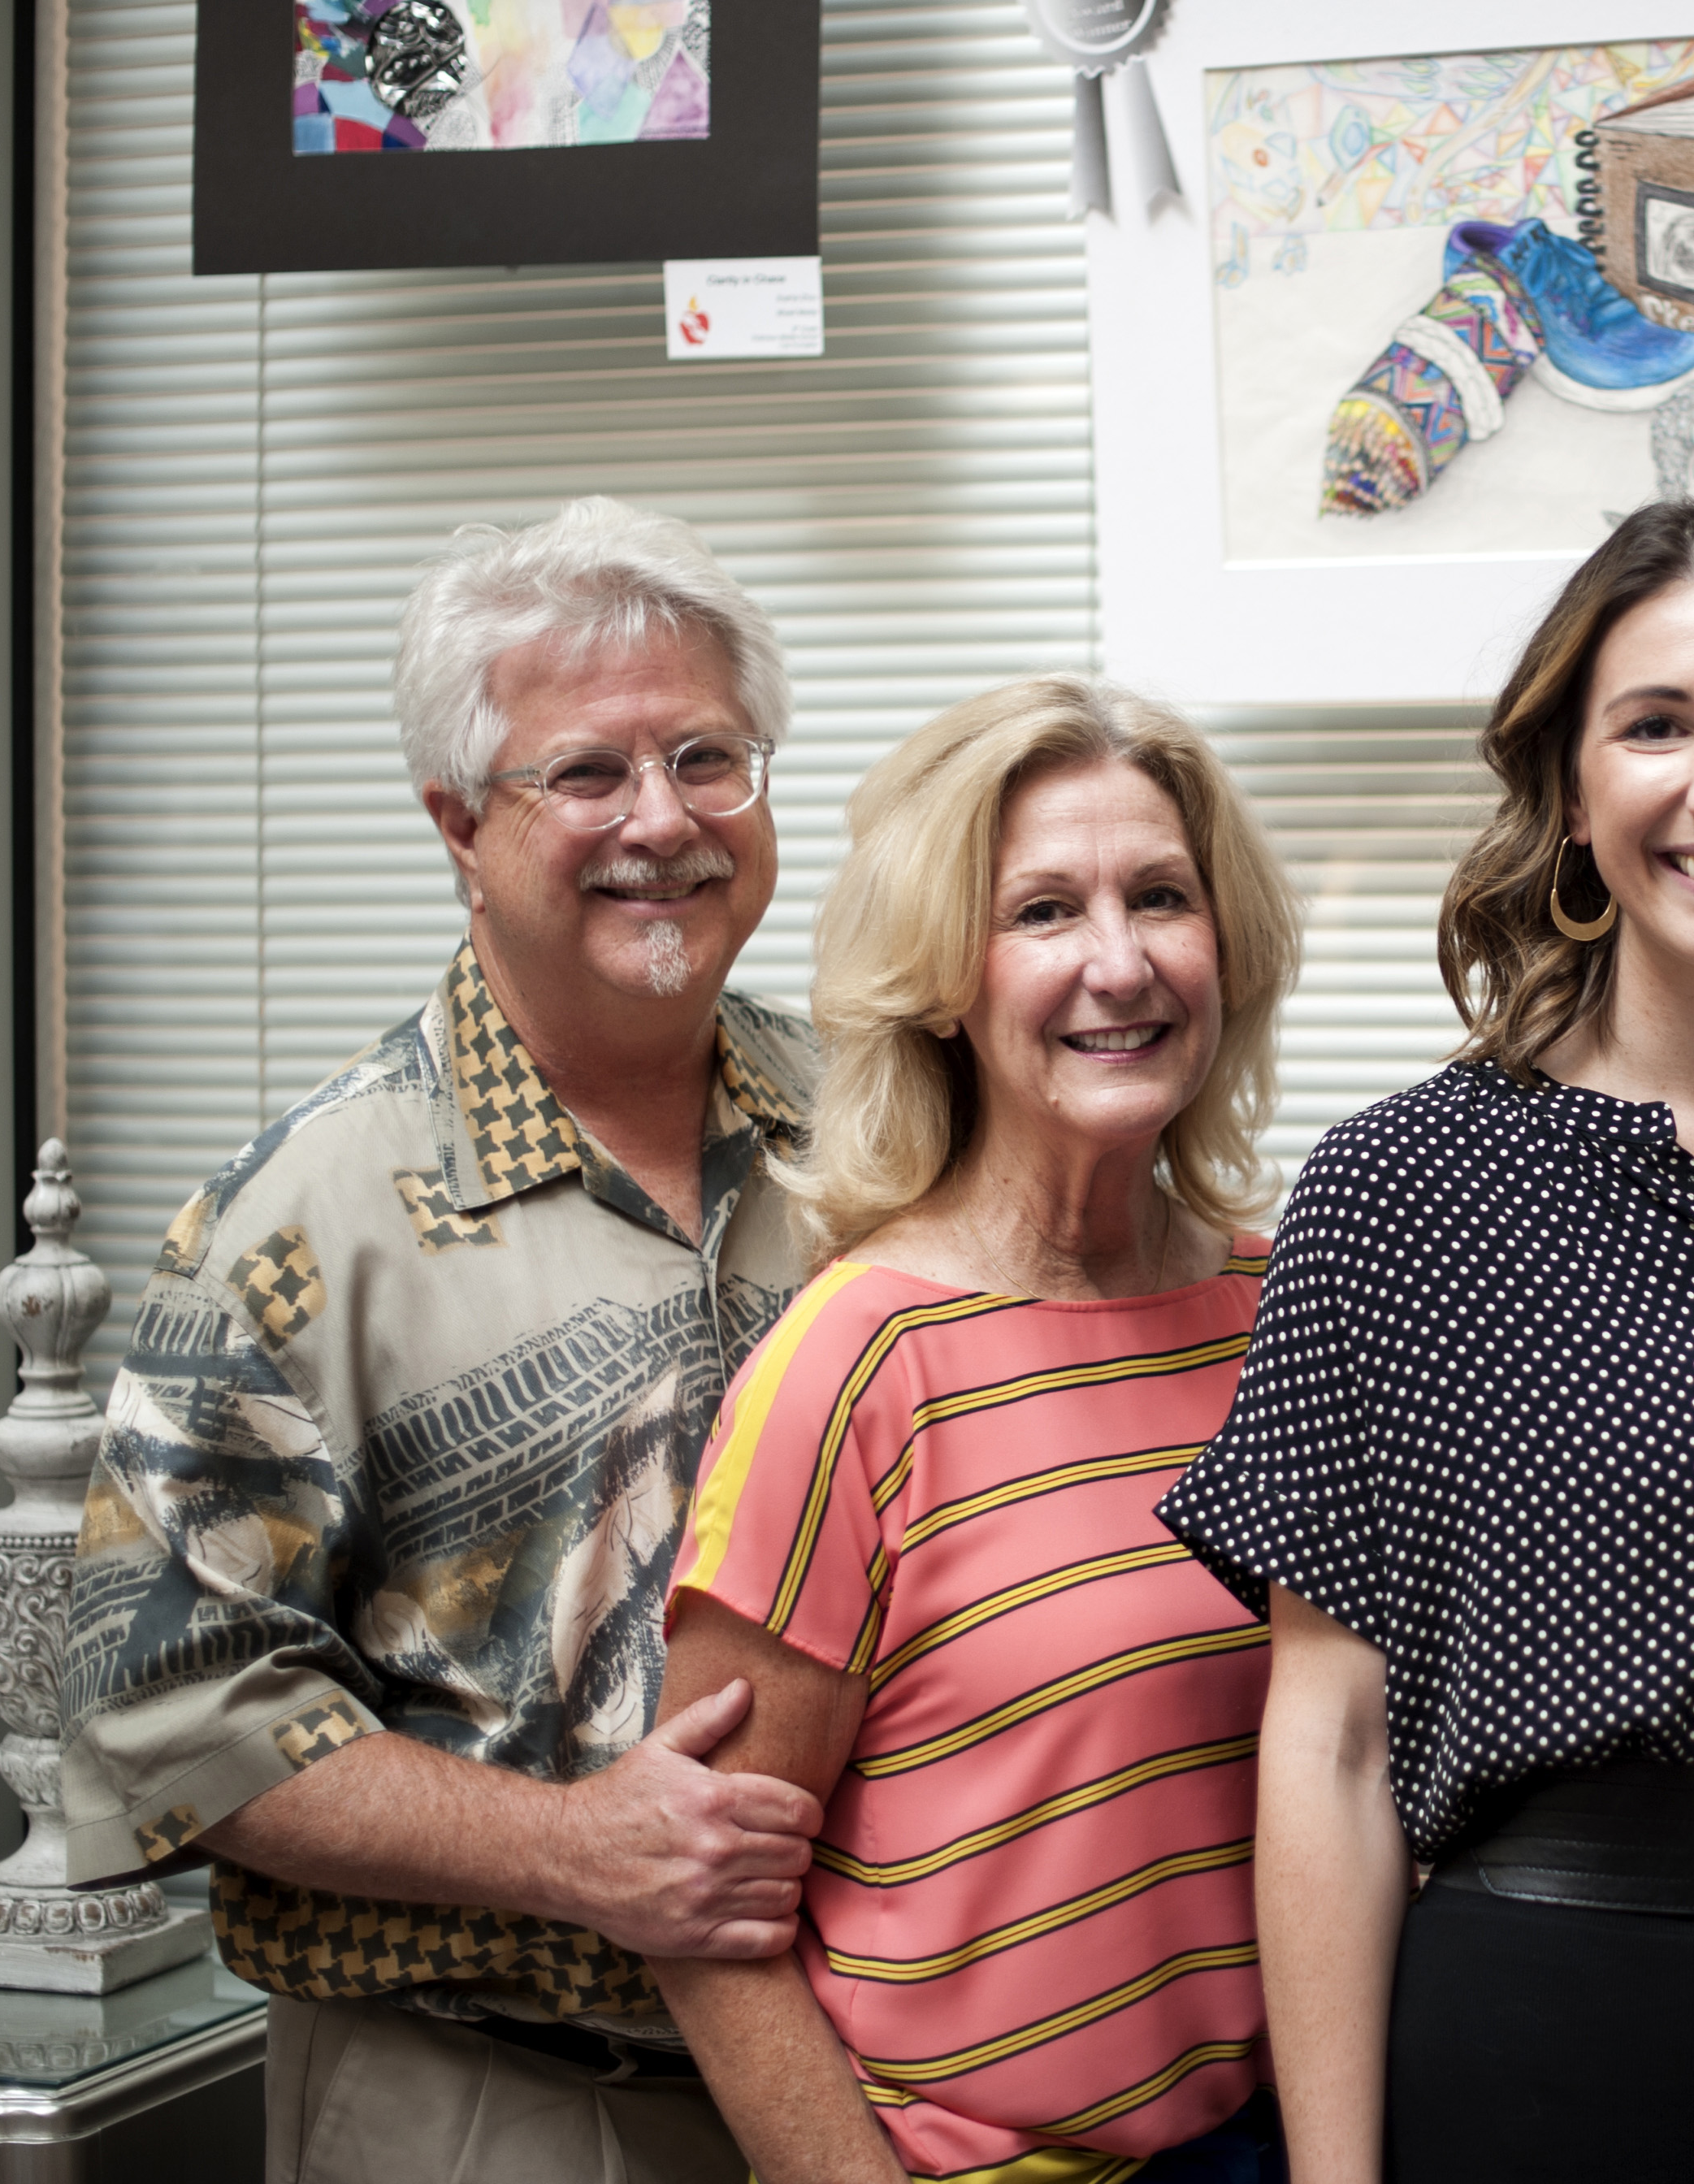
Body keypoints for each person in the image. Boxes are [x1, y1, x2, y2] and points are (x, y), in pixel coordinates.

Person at [1159, 492, 1694, 2184]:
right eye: (1655, 725)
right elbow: (1326, 1747)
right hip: (1557, 2039)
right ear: (1573, 787)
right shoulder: (1407, 1192)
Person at [60, 496, 829, 2182]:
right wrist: (575, 1852)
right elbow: (169, 1714)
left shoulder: (888, 1141)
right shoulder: (300, 1224)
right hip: (489, 2109)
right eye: (587, 774)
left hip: (872, 2101)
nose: (665, 823)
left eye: (708, 757)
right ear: (456, 825)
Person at [652, 678, 1302, 2184]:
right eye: (1043, 912)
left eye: (1160, 896)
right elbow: (706, 1912)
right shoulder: (855, 1362)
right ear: (945, 974)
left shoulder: (1288, 1315)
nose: (1120, 962)